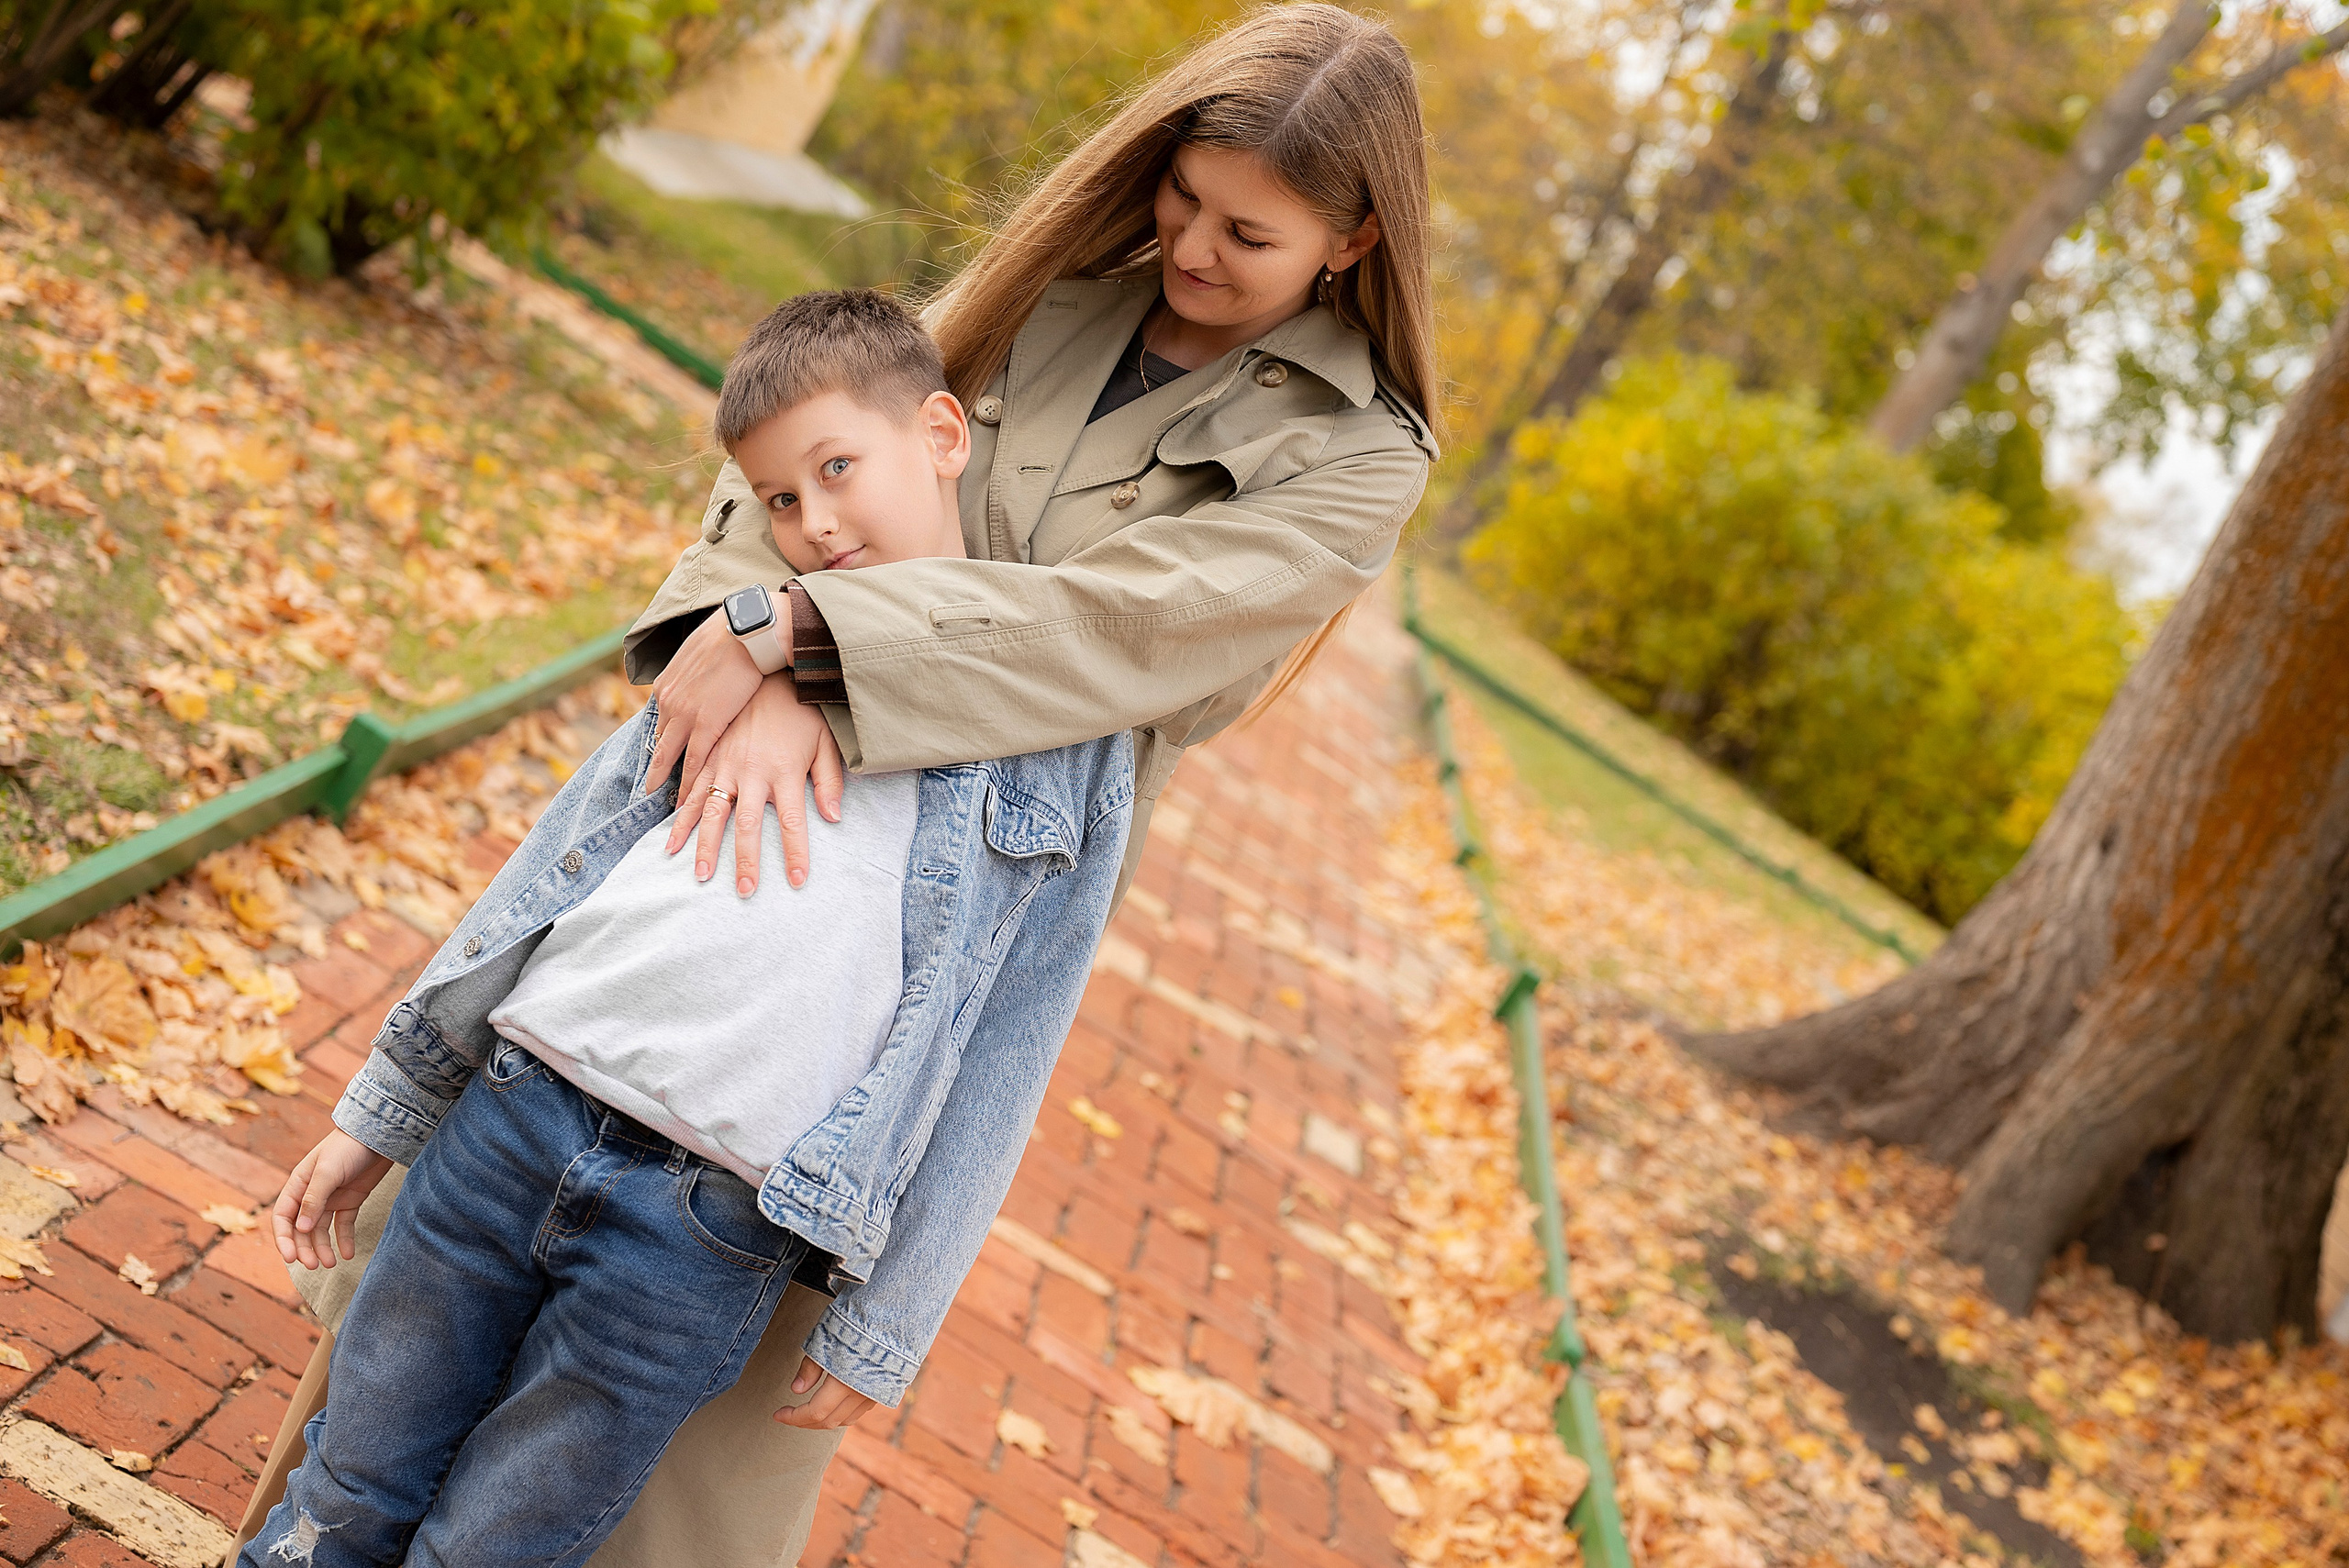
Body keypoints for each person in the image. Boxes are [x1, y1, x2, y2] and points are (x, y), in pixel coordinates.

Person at [227, 7, 1442, 1563]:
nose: (1194, 248)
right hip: (709, 862)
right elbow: (788, 465)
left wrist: (816, 646)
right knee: (405, 1370)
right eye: (1183, 197)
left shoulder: (1361, 456)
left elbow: (1122, 631)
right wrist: (746, 633)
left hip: (928, 936)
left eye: (1250, 235)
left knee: (669, 1441)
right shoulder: (1044, 294)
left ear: (1352, 240)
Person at [238, 291, 1135, 1568]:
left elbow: (1008, 1046)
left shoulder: (1068, 730)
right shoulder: (747, 634)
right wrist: (384, 1109)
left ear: (942, 435)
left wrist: (889, 1323)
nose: (814, 524)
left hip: (708, 1230)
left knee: (488, 1551)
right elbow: (557, 861)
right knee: (340, 1495)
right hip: (511, 1117)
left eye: (837, 469)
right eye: (780, 498)